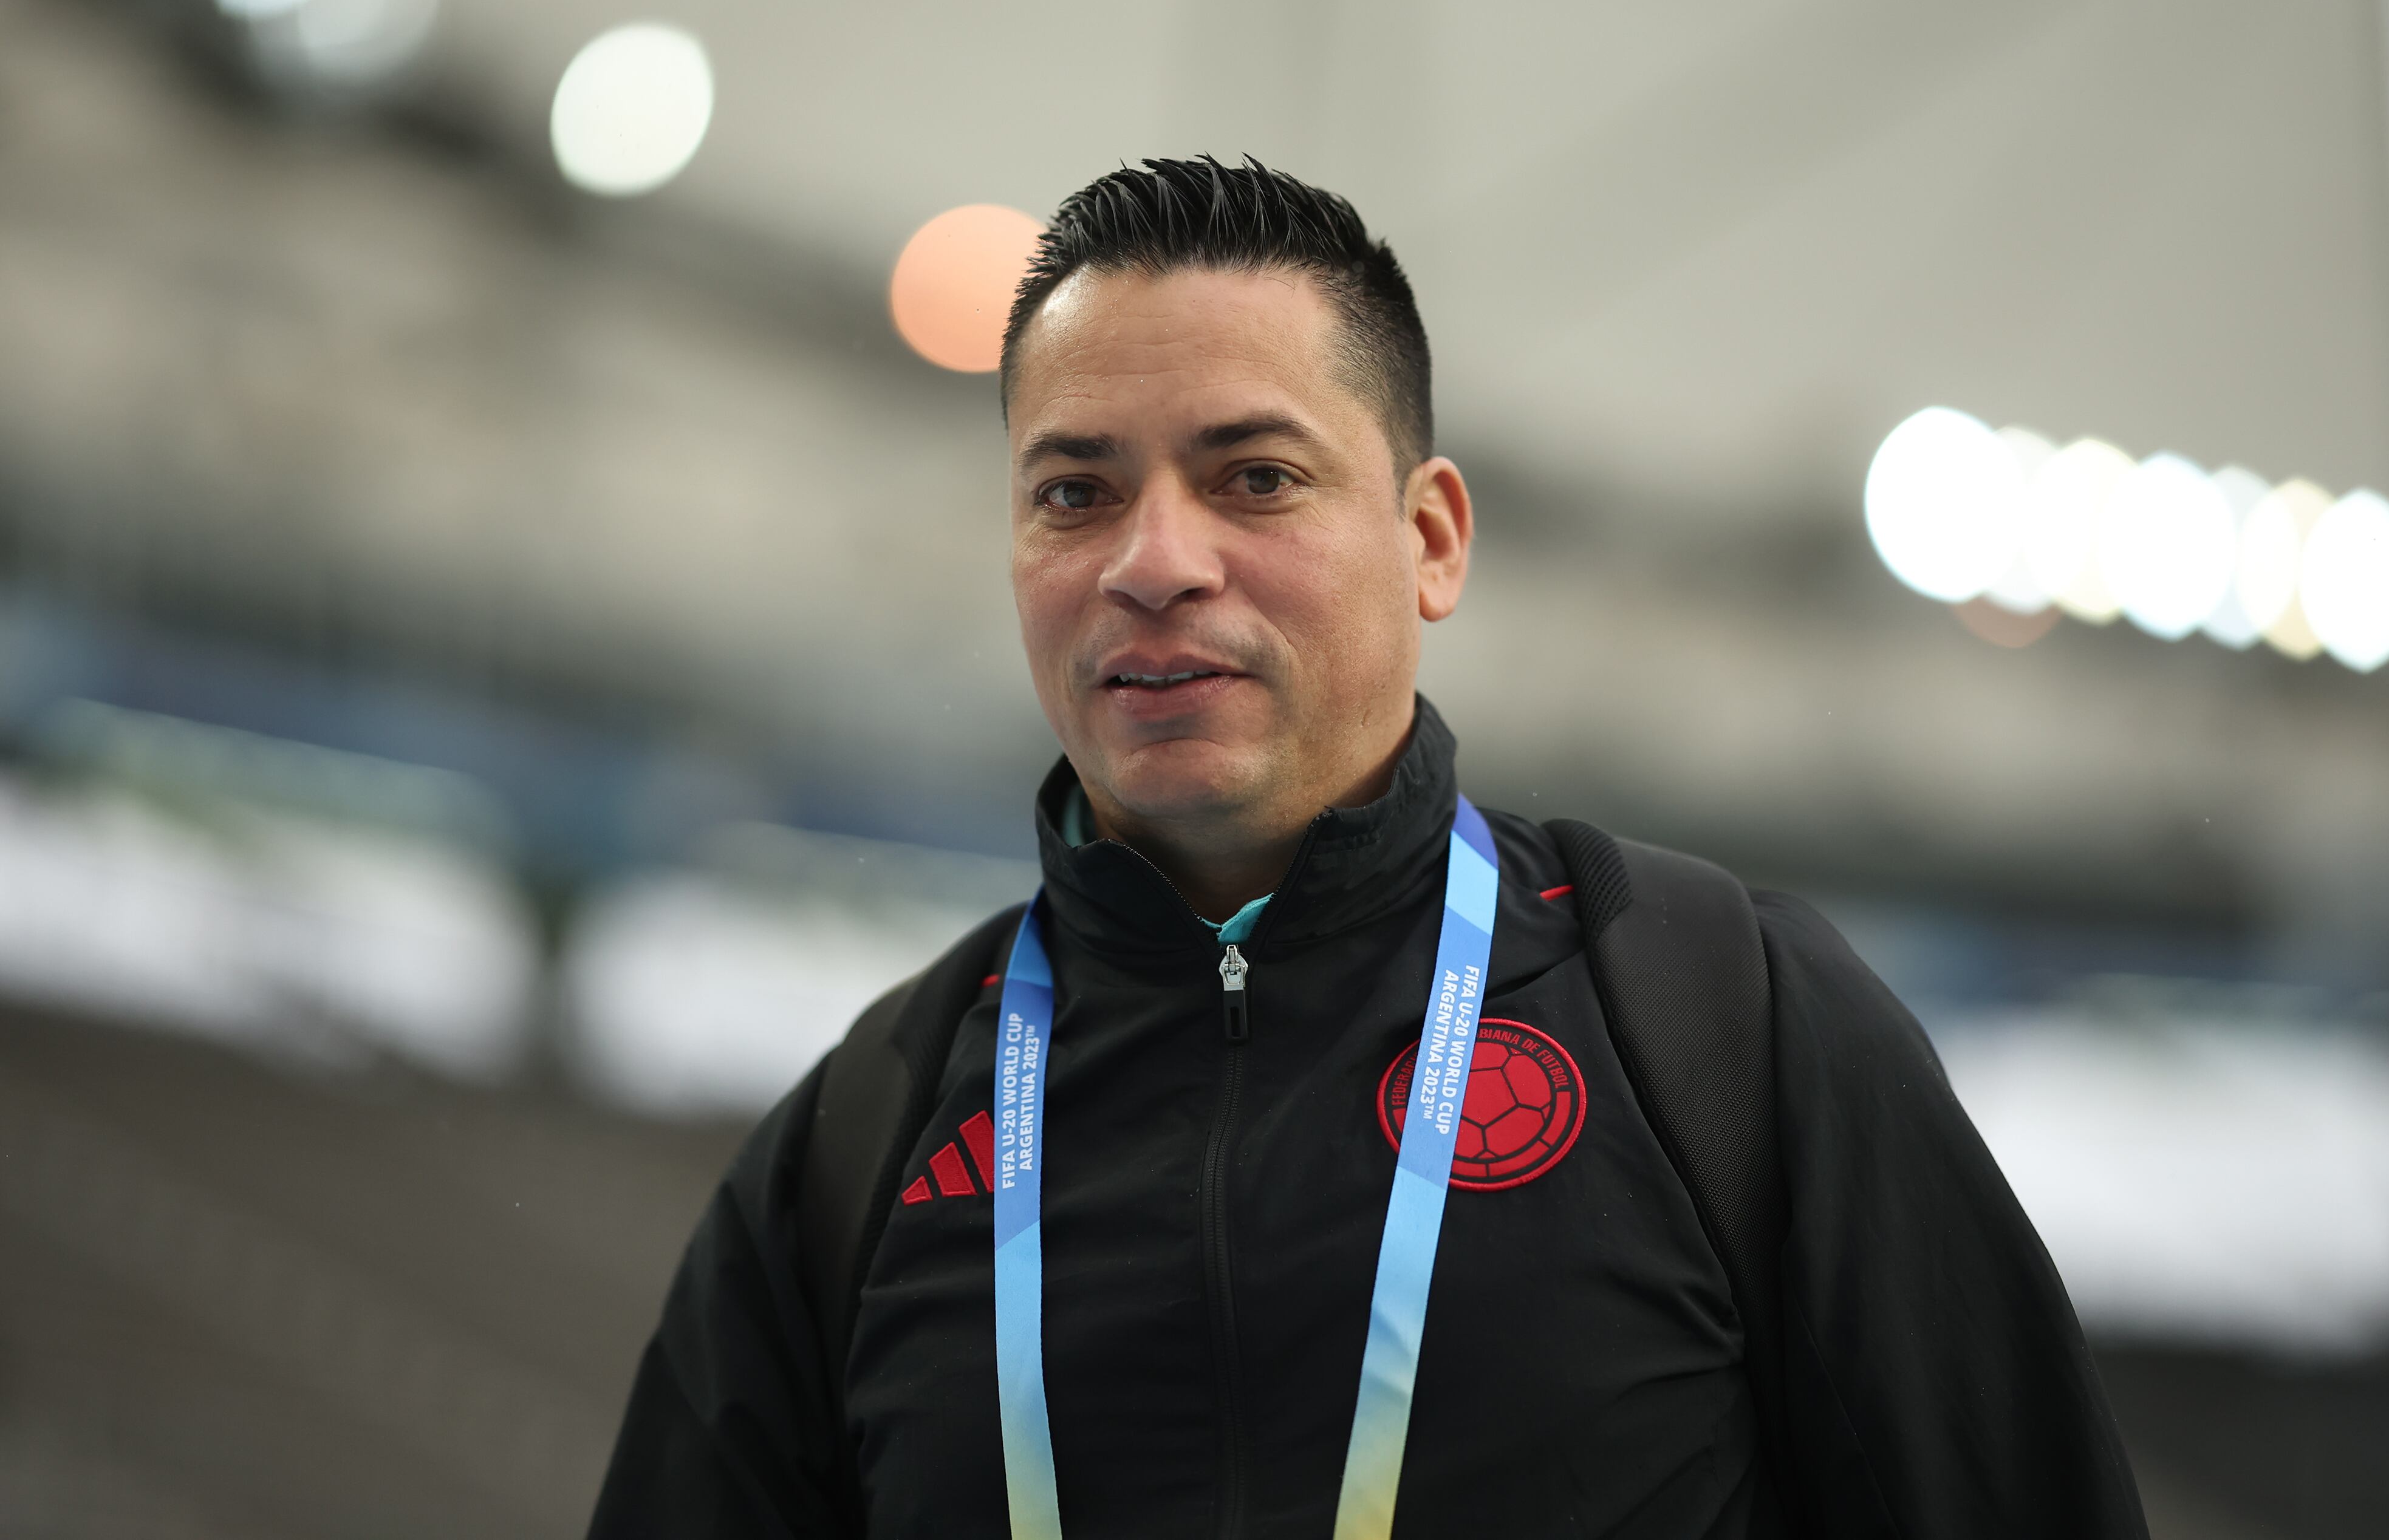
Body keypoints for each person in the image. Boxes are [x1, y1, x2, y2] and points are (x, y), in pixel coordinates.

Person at [589, 157, 2148, 1539]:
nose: (1153, 561)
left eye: (1253, 477)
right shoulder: (856, 1142)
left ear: (1429, 539)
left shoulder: (1721, 1020)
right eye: (1076, 491)